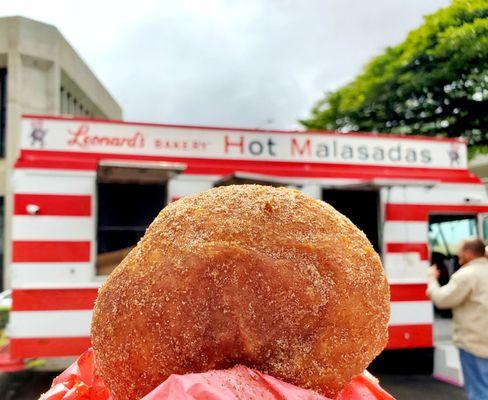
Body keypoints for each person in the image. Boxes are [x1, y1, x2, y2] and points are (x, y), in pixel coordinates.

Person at [427, 237, 488, 400]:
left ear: (469, 252)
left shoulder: (466, 275)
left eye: (460, 250)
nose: (457, 254)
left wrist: (431, 279)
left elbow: (442, 299)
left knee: (479, 392)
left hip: (474, 345)